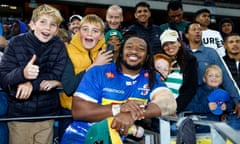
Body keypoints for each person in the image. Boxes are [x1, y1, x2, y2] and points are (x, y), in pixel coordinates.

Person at [61, 35, 177, 143]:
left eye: (141, 49)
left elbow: (168, 103)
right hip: (81, 138)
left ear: (147, 56)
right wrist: (119, 109)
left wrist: (132, 114)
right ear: (121, 52)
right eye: (129, 47)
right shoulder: (98, 72)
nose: (134, 51)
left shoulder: (151, 77)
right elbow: (79, 111)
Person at [0, 4, 67, 144]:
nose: (47, 28)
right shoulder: (15, 43)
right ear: (32, 24)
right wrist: (22, 74)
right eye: (43, 22)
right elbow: (4, 78)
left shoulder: (59, 46)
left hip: (47, 117)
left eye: (53, 24)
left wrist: (31, 83)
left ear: (56, 30)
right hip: (20, 117)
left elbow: (57, 75)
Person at [58, 14, 113, 141]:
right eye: (85, 29)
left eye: (95, 31)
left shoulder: (107, 53)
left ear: (100, 35)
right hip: (71, 115)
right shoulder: (67, 51)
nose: (89, 34)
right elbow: (69, 87)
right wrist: (94, 66)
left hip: (99, 114)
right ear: (79, 31)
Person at [185, 21, 240, 119]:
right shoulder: (182, 53)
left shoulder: (211, 53)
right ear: (186, 35)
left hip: (209, 103)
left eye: (199, 30)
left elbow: (226, 77)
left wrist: (237, 100)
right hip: (187, 103)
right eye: (194, 30)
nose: (198, 32)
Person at [185, 65, 240, 132]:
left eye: (217, 76)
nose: (214, 78)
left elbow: (231, 105)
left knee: (232, 124)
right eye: (210, 76)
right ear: (204, 79)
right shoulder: (198, 91)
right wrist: (207, 107)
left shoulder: (224, 92)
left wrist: (226, 107)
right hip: (202, 121)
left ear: (221, 80)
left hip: (218, 123)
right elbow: (189, 106)